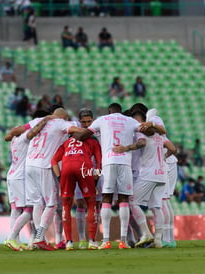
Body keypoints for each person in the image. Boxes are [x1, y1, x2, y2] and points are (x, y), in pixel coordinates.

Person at [73, 103, 161, 249]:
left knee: (106, 198)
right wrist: (128, 146)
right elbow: (145, 138)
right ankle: (123, 241)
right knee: (124, 200)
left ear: (109, 111)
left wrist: (71, 132)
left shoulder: (102, 119)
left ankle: (106, 240)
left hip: (108, 163)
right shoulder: (130, 121)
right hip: (125, 163)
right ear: (121, 112)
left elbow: (83, 135)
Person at [25, 108, 78, 251]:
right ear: (63, 116)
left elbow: (24, 131)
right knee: (52, 204)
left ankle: (39, 238)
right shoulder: (60, 123)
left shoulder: (38, 121)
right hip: (43, 165)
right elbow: (74, 129)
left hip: (29, 165)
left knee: (37, 203)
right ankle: (39, 237)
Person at [51, 108, 101, 251]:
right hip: (84, 168)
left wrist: (60, 178)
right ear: (80, 123)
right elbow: (99, 160)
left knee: (66, 205)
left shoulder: (68, 141)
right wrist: (96, 176)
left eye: (89, 122)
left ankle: (69, 243)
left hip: (66, 168)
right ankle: (92, 240)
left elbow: (53, 160)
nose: (86, 125)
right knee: (91, 204)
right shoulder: (92, 139)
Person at [4, 114, 54, 251]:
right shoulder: (25, 137)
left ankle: (17, 241)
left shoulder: (14, 136)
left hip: (12, 174)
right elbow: (33, 132)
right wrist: (45, 120)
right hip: (20, 177)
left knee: (15, 209)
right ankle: (12, 237)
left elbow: (7, 136)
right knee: (29, 209)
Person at [129, 110, 176, 249]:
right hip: (162, 174)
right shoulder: (160, 136)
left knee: (133, 201)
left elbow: (140, 145)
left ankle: (145, 233)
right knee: (156, 206)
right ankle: (158, 240)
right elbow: (173, 149)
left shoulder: (141, 137)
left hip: (148, 174)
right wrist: (163, 158)